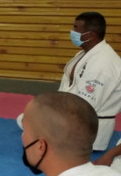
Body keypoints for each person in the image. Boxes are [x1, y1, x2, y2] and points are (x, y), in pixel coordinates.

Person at [17, 12, 121, 150]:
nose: (72, 32)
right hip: (71, 113)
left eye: (76, 28)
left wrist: (55, 118)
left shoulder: (102, 65)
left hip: (86, 125)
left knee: (29, 127)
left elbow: (86, 107)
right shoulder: (88, 53)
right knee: (26, 118)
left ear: (90, 35)